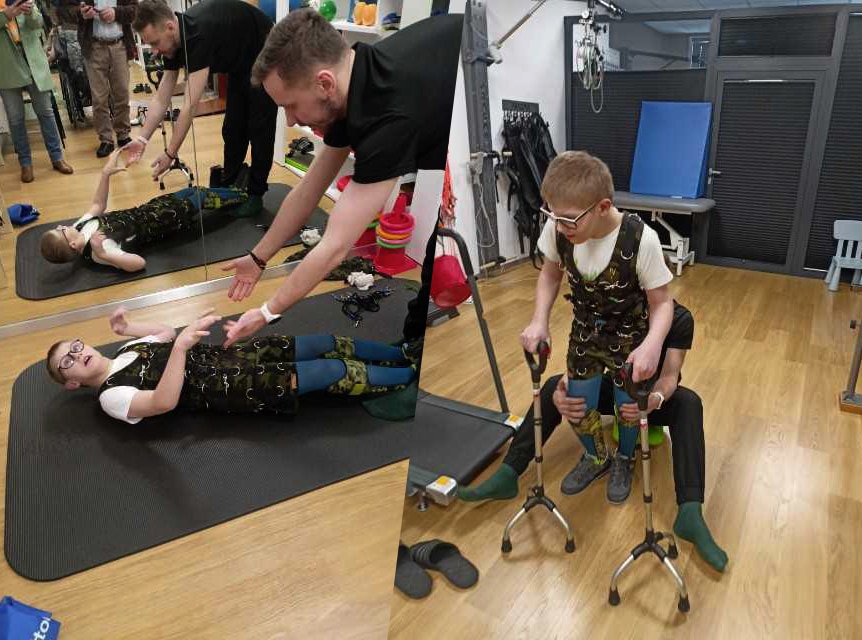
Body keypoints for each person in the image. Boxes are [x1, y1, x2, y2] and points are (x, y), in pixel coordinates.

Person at [217, 9, 462, 350]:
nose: (290, 121)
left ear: (324, 84)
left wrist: (266, 312)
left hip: (460, 107)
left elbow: (335, 247)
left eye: (291, 105)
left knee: (427, 288)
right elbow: (309, 188)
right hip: (444, 83)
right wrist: (259, 257)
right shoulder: (355, 74)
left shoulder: (387, 116)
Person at [459, 300, 729, 572]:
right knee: (552, 386)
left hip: (648, 399)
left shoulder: (680, 319)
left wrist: (654, 400)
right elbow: (586, 358)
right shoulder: (613, 303)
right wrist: (566, 386)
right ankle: (509, 472)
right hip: (614, 389)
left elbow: (670, 376)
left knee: (689, 404)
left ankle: (690, 512)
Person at [519, 150, 674, 504]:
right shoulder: (561, 227)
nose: (560, 227)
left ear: (603, 207)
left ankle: (624, 458)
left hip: (630, 336)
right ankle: (595, 456)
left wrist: (652, 345)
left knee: (628, 409)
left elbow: (662, 303)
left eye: (569, 220)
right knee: (575, 403)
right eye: (552, 216)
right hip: (585, 330)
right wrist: (539, 320)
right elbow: (550, 274)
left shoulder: (641, 239)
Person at [46, 307, 417, 424]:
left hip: (230, 355)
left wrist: (128, 328)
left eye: (76, 347)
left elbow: (164, 333)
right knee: (330, 371)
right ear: (71, 383)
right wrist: (180, 349)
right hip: (230, 389)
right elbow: (162, 402)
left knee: (324, 343)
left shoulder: (129, 347)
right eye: (68, 361)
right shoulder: (109, 397)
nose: (78, 354)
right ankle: (409, 376)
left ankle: (400, 353)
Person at [127, 0, 276, 218]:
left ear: (170, 26)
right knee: (233, 129)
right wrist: (142, 139)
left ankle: (255, 194)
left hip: (265, 51)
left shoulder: (197, 36)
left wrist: (170, 153)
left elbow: (189, 106)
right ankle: (230, 187)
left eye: (155, 43)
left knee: (259, 129)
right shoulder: (173, 41)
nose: (155, 51)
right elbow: (161, 98)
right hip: (240, 61)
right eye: (150, 45)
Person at [39, 148, 247, 272]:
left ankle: (232, 192)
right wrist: (103, 253)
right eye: (60, 231)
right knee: (200, 198)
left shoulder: (78, 228)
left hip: (149, 208)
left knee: (194, 191)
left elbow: (98, 205)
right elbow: (139, 263)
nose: (61, 226)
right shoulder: (99, 252)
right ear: (72, 244)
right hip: (163, 221)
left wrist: (105, 174)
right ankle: (240, 195)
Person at [0, 0, 74, 182]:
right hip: (6, 66)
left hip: (34, 60)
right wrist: (6, 15)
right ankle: (25, 163)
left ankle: (57, 157)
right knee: (15, 118)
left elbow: (38, 23)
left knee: (46, 112)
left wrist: (29, 12)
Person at [75, 0, 137, 157]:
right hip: (93, 46)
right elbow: (67, 10)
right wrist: (81, 13)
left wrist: (116, 12)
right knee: (99, 98)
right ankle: (106, 139)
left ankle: (123, 134)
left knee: (122, 92)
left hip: (120, 45)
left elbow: (135, 9)